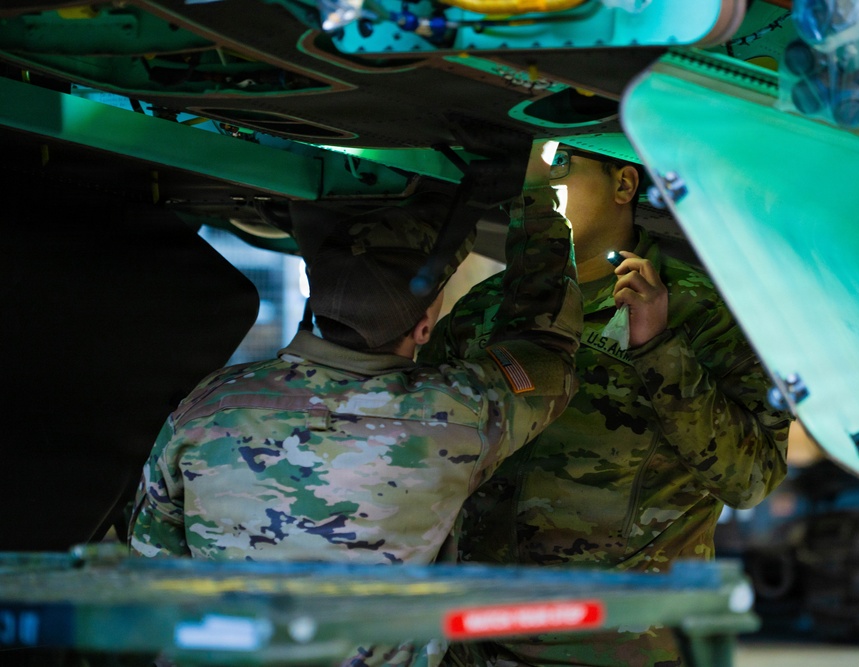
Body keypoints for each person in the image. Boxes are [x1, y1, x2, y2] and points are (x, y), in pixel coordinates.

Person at [127, 182, 583, 666]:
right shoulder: (458, 414)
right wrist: (534, 195)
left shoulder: (209, 406)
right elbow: (546, 353)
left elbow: (150, 570)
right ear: (425, 327)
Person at [420, 143, 792, 666]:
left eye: (561, 160)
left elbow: (751, 479)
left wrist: (658, 349)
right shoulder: (485, 309)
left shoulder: (702, 312)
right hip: (477, 638)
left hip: (619, 644)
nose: (543, 178)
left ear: (624, 184)